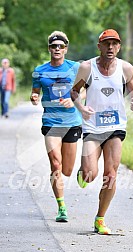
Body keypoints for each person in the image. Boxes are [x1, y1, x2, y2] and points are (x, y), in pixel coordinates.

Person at [71, 29, 133, 235]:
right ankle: (83, 172)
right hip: (93, 127)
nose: (110, 48)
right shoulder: (87, 67)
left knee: (111, 174)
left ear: (119, 47)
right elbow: (74, 91)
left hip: (115, 127)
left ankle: (100, 219)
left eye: (114, 44)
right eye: (106, 44)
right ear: (99, 46)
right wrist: (81, 108)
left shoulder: (126, 68)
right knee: (90, 174)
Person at [30, 30, 83, 222]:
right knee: (56, 165)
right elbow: (35, 91)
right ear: (49, 49)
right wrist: (34, 97)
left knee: (67, 170)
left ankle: (80, 170)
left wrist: (74, 100)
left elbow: (83, 91)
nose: (57, 49)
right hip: (51, 122)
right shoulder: (40, 70)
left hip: (72, 123)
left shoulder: (75, 68)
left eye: (61, 46)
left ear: (66, 49)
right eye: (54, 46)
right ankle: (61, 207)